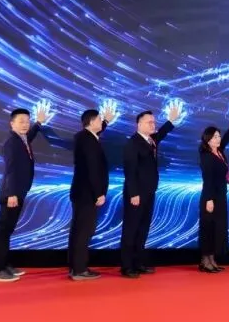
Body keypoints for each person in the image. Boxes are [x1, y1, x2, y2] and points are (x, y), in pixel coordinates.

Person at [119, 105, 180, 278]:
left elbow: (161, 134)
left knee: (143, 228)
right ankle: (127, 266)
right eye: (149, 122)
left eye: (154, 122)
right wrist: (134, 194)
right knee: (131, 229)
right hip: (136, 194)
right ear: (139, 124)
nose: (153, 124)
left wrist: (171, 120)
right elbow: (130, 171)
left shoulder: (150, 140)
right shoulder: (133, 143)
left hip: (149, 192)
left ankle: (138, 263)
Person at [0, 106, 48, 282]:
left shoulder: (21, 139)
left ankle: (5, 265)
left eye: (27, 121)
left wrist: (39, 123)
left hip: (18, 192)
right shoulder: (11, 142)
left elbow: (30, 135)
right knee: (3, 231)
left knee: (8, 230)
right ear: (12, 123)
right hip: (11, 194)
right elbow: (11, 169)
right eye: (21, 121)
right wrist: (11, 194)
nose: (25, 125)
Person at [198, 108, 229, 273]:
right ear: (208, 140)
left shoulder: (219, 151)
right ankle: (205, 261)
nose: (218, 138)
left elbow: (228, 136)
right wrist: (209, 199)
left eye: (218, 136)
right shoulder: (206, 156)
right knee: (208, 228)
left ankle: (212, 260)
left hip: (220, 195)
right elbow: (207, 179)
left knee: (216, 228)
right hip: (211, 197)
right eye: (215, 136)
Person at [68, 108, 109, 280]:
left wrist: (106, 122)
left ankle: (75, 267)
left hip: (81, 192)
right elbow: (93, 169)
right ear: (91, 122)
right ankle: (79, 269)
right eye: (99, 119)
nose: (101, 122)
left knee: (78, 230)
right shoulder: (89, 140)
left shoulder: (84, 137)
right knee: (84, 231)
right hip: (87, 193)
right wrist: (99, 193)